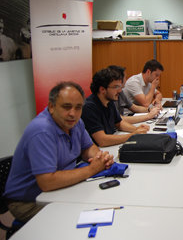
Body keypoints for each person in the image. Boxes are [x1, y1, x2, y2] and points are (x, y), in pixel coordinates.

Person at [3, 82, 114, 222]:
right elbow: (47, 182)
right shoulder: (41, 131)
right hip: (28, 202)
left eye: (78, 108)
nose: (72, 113)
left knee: (101, 202)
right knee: (81, 218)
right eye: (66, 107)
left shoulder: (75, 122)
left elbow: (87, 147)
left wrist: (99, 158)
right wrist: (92, 169)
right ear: (51, 107)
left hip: (59, 190)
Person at [81, 67, 149, 147]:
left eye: (120, 87)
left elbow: (119, 123)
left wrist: (136, 129)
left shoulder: (109, 101)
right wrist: (133, 135)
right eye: (116, 87)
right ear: (102, 89)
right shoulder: (89, 107)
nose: (120, 91)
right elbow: (102, 140)